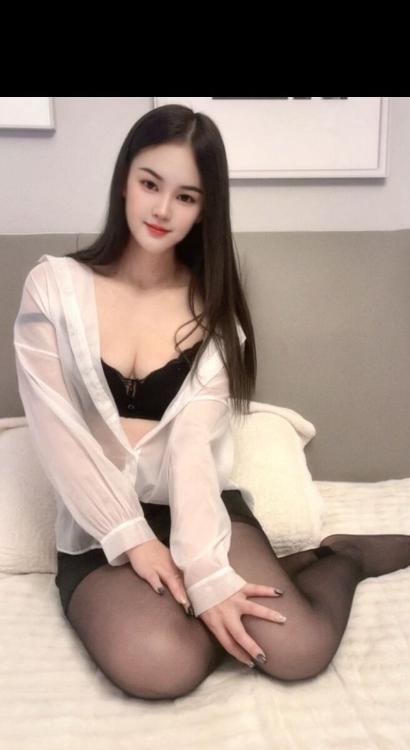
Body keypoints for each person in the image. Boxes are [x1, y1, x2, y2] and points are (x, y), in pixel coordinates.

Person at [13, 103, 410, 700]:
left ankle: (341, 557)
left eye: (186, 197)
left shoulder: (214, 313)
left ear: (204, 209)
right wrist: (135, 539)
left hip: (195, 505)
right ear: (124, 180)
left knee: (297, 650)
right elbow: (57, 431)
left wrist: (204, 571)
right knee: (160, 665)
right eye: (150, 184)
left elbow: (192, 445)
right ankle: (283, 571)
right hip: (100, 527)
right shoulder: (53, 288)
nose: (162, 210)